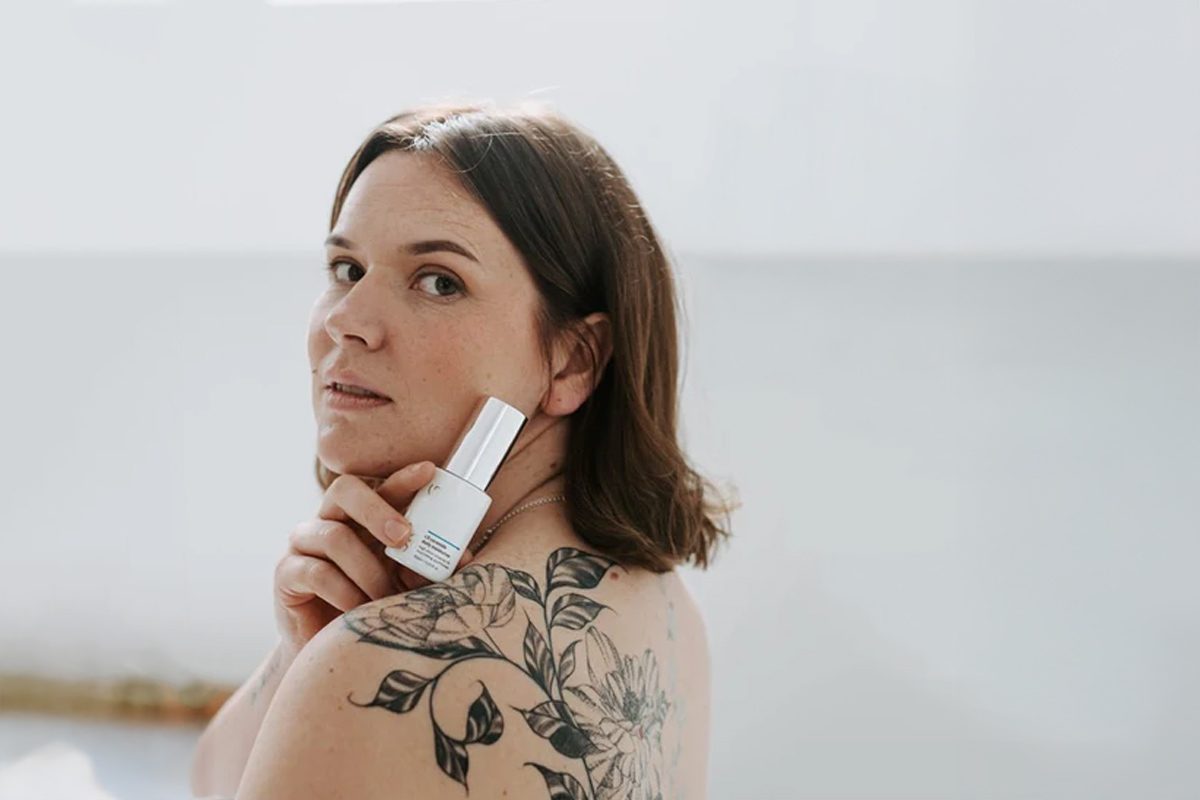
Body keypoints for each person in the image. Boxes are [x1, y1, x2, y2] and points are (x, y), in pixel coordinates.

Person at [190, 100, 738, 800]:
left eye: (438, 281)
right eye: (347, 269)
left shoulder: (378, 673)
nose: (347, 321)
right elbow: (210, 778)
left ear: (573, 359)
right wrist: (300, 648)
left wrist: (336, 657)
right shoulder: (667, 612)